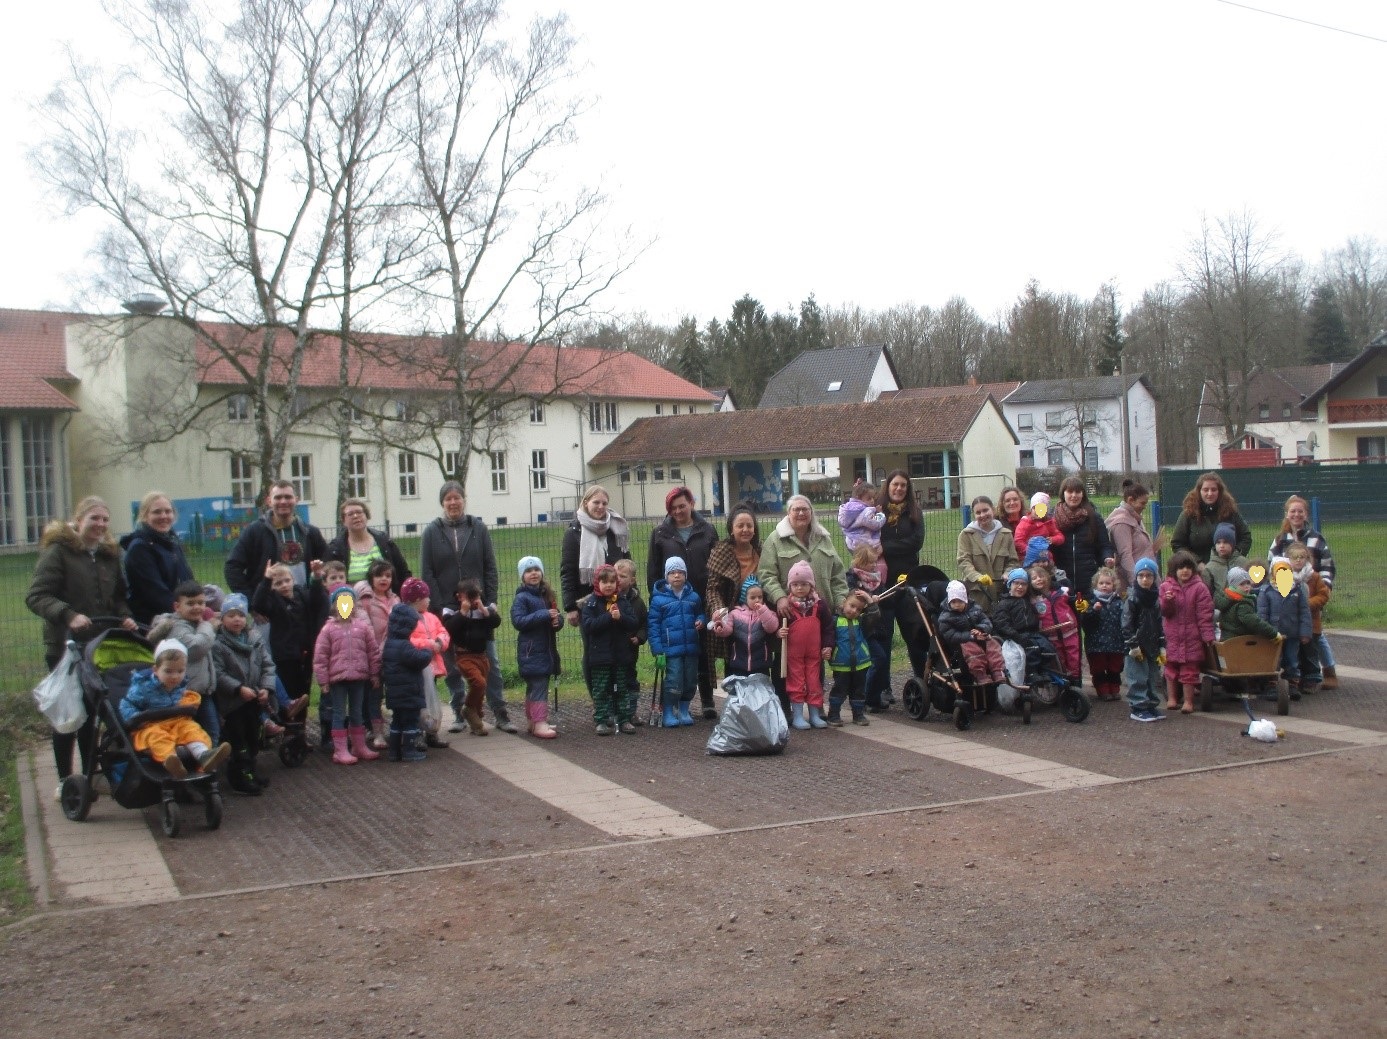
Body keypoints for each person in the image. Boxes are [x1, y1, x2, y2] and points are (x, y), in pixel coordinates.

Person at [26, 496, 138, 790]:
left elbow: (119, 597)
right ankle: (65, 780)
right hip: (65, 646)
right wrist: (69, 615)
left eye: (104, 519)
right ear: (78, 521)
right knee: (69, 714)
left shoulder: (110, 555)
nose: (100, 525)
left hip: (101, 644)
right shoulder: (59, 552)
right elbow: (37, 596)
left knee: (95, 713)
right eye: (94, 519)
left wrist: (125, 616)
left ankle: (88, 778)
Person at [419, 481, 516, 733]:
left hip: (478, 608)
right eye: (448, 499)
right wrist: (438, 608)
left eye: (457, 498)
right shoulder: (431, 532)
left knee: (490, 661)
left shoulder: (478, 528)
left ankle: (499, 710)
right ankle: (459, 710)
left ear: (464, 500)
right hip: (449, 610)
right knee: (452, 664)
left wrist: (489, 601)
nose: (453, 503)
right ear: (442, 503)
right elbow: (427, 571)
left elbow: (490, 567)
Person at [759, 494, 850, 713]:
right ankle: (785, 710)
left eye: (805, 509)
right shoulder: (775, 539)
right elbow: (765, 574)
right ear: (788, 513)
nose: (801, 513)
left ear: (811, 513)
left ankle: (815, 710)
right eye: (796, 509)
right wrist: (779, 597)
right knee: (784, 665)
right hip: (788, 616)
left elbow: (838, 575)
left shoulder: (823, 538)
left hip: (818, 615)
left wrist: (840, 602)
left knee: (815, 664)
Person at [646, 487, 719, 719]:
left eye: (682, 505)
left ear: (691, 503)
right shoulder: (660, 533)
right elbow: (653, 570)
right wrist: (658, 599)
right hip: (671, 602)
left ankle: (707, 700)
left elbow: (715, 563)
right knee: (676, 654)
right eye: (673, 508)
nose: (678, 511)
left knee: (703, 651)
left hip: (701, 599)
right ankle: (671, 703)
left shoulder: (707, 530)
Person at [120, 638, 231, 778]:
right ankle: (171, 761)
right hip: (151, 725)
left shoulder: (181, 685)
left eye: (180, 671)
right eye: (168, 671)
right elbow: (127, 704)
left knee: (191, 729)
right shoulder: (143, 687)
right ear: (155, 670)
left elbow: (184, 700)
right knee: (157, 736)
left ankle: (204, 755)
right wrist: (136, 718)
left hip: (176, 723)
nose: (175, 676)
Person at [1268, 495, 1339, 689]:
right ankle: (1297, 674)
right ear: (1287, 514)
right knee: (1293, 635)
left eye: (1300, 511)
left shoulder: (1316, 538)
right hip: (1288, 596)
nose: (1296, 514)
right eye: (1293, 511)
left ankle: (1329, 669)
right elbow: (1271, 565)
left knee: (1316, 634)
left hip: (1312, 593)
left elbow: (1327, 565)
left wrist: (1323, 586)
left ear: (1306, 514)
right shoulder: (1280, 540)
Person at [212, 593, 277, 795]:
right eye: (231, 615)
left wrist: (266, 688)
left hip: (255, 699)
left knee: (253, 736)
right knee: (238, 739)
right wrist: (238, 688)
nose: (237, 619)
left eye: (240, 615)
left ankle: (250, 770)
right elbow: (218, 673)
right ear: (222, 618)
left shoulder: (254, 639)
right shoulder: (218, 644)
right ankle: (239, 775)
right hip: (233, 702)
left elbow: (267, 665)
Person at [870, 472, 923, 708]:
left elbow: (916, 542)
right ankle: (883, 688)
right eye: (895, 484)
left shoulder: (914, 512)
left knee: (915, 635)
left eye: (903, 485)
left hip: (908, 581)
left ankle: (923, 681)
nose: (899, 488)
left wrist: (885, 547)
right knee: (884, 637)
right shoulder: (877, 510)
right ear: (888, 486)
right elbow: (869, 540)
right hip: (882, 583)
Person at [313, 585, 382, 764]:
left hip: (359, 677)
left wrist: (374, 674)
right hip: (338, 679)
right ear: (334, 605)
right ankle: (340, 749)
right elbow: (320, 656)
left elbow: (373, 652)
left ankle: (358, 746)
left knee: (357, 711)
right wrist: (323, 680)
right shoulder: (328, 629)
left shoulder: (363, 628)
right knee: (339, 713)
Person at [147, 580, 221, 745]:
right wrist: (208, 626)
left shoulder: (194, 624)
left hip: (202, 691)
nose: (197, 607)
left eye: (201, 603)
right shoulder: (176, 628)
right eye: (190, 603)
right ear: (177, 607)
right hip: (184, 693)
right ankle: (202, 765)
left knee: (212, 731)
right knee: (197, 733)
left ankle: (208, 766)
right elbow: (196, 648)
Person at [224, 480, 328, 597]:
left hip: (304, 605)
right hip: (268, 607)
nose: (283, 501)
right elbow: (232, 568)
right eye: (278, 497)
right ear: (269, 501)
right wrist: (251, 602)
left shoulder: (310, 533)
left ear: (297, 500)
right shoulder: (255, 531)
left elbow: (328, 564)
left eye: (288, 497)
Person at [704, 503, 763, 685]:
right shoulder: (721, 552)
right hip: (732, 619)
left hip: (758, 619)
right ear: (731, 529)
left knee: (759, 665)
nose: (745, 529)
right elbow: (712, 588)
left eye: (749, 525)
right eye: (740, 526)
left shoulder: (762, 551)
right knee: (735, 665)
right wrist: (718, 610)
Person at [560, 485, 631, 627]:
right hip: (590, 603)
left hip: (618, 600)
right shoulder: (573, 533)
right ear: (586, 503)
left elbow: (627, 563)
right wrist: (570, 607)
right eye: (596, 502)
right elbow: (568, 571)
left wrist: (632, 592)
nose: (600, 506)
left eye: (604, 503)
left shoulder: (616, 528)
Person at [648, 557, 706, 728]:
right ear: (666, 576)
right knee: (673, 680)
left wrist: (701, 620)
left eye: (680, 572)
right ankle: (667, 711)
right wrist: (657, 648)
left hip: (691, 647)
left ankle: (683, 709)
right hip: (670, 649)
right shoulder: (659, 600)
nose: (676, 576)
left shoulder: (693, 597)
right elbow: (653, 625)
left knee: (690, 680)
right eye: (672, 573)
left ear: (685, 575)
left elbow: (700, 614)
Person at [121, 491, 195, 625]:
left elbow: (187, 580)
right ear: (144, 516)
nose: (164, 516)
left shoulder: (172, 543)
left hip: (179, 615)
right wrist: (186, 613)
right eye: (157, 512)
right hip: (154, 623)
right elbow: (155, 593)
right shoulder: (140, 548)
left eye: (168, 511)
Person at [583, 563, 640, 734]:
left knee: (621, 688)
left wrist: (620, 617)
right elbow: (588, 626)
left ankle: (624, 719)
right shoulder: (591, 603)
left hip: (620, 655)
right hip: (600, 656)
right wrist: (608, 617)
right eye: (604, 582)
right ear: (597, 584)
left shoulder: (622, 601)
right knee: (601, 689)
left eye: (612, 582)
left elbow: (633, 622)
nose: (608, 585)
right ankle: (601, 720)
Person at [442, 578, 502, 736]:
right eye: (469, 597)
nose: (473, 600)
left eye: (476, 596)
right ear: (459, 596)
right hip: (464, 655)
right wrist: (462, 612)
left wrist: (484, 609)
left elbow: (496, 622)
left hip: (481, 655)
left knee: (481, 688)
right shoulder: (452, 610)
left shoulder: (482, 610)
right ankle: (468, 708)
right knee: (479, 683)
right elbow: (449, 628)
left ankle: (476, 721)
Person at [1159, 550, 1215, 714]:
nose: (1185, 571)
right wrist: (1168, 602)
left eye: (1188, 567)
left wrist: (1207, 635)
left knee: (1189, 671)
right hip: (1173, 637)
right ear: (1173, 570)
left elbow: (1205, 614)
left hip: (1192, 637)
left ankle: (1189, 702)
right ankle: (1172, 698)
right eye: (1181, 568)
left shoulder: (1200, 588)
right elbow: (1164, 612)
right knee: (1170, 669)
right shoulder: (1166, 587)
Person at [780, 560, 834, 730]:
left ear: (811, 585)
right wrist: (778, 632)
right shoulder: (786, 607)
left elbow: (828, 627)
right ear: (790, 586)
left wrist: (828, 645)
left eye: (804, 584)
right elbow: (777, 625)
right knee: (796, 682)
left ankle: (814, 715)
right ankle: (797, 716)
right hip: (793, 654)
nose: (800, 588)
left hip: (814, 653)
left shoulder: (820, 605)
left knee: (814, 681)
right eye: (795, 584)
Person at [511, 556, 561, 739]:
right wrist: (543, 614)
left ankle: (533, 721)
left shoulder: (546, 595)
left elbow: (555, 617)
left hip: (546, 650)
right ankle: (540, 722)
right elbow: (518, 621)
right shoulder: (522, 598)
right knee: (538, 686)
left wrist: (557, 621)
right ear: (522, 576)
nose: (533, 573)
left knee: (536, 686)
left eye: (536, 570)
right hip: (531, 651)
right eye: (528, 571)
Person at [400, 576, 452, 747]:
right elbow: (408, 639)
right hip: (417, 667)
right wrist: (429, 645)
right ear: (416, 600)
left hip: (433, 666)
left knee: (431, 698)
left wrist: (440, 642)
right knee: (419, 701)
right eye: (426, 597)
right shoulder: (407, 618)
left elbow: (443, 631)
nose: (429, 600)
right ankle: (418, 733)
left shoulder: (431, 617)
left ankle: (432, 733)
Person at [354, 559, 400, 750]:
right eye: (379, 575)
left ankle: (398, 728)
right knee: (373, 694)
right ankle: (377, 732)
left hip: (392, 656)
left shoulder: (396, 600)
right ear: (371, 578)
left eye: (388, 576)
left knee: (394, 693)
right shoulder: (365, 601)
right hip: (372, 655)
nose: (384, 579)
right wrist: (376, 649)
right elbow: (364, 627)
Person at [1052, 476, 1116, 607]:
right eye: (1070, 492)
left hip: (1088, 581)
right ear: (1063, 493)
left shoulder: (1093, 517)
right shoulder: (1052, 518)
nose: (1074, 496)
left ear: (1083, 494)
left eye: (1078, 492)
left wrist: (1107, 558)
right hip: (1062, 581)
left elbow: (1105, 545)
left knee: (1090, 619)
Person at [324, 498, 411, 592]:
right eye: (350, 514)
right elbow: (326, 579)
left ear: (366, 516)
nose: (355, 516)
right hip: (349, 603)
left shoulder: (384, 541)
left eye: (359, 512)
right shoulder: (336, 549)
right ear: (344, 521)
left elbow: (403, 572)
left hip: (386, 602)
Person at [381, 602, 432, 762]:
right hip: (408, 693)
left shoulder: (389, 643)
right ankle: (409, 750)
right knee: (411, 722)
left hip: (394, 694)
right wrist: (427, 651)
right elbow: (418, 659)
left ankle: (394, 751)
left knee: (396, 722)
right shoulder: (404, 646)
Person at [1258, 556, 1313, 701]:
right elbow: (1262, 613)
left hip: (1292, 633)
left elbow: (1304, 612)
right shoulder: (1267, 590)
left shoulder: (1297, 590)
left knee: (1292, 659)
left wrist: (1305, 632)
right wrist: (1264, 631)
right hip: (1273, 634)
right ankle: (1272, 684)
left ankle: (1292, 684)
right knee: (1273, 659)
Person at [935, 580, 1008, 688]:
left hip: (980, 637)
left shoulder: (975, 609)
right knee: (972, 649)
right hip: (961, 643)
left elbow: (986, 622)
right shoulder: (946, 617)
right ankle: (980, 674)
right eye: (953, 602)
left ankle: (998, 671)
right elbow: (950, 635)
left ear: (965, 600)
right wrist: (970, 636)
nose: (956, 605)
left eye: (959, 601)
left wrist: (981, 629)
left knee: (993, 645)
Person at [1171, 472, 1252, 565]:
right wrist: (1196, 562)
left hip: (1228, 568)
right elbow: (1177, 544)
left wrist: (1233, 558)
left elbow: (1245, 537)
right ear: (1199, 491)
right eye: (1205, 490)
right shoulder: (1188, 514)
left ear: (1219, 491)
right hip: (1198, 571)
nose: (1210, 493)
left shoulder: (1231, 512)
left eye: (1213, 490)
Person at [1122, 558, 1166, 722]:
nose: (1145, 580)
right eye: (1141, 576)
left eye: (1149, 576)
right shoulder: (1133, 599)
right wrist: (1133, 645)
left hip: (1152, 645)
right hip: (1136, 646)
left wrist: (1162, 645)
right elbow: (1126, 624)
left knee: (1152, 676)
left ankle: (1151, 705)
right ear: (1136, 578)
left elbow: (1160, 623)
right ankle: (1138, 707)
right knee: (1137, 677)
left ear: (1154, 578)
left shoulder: (1155, 600)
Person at [956, 495, 1019, 611]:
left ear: (993, 510)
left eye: (985, 510)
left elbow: (1013, 561)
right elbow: (963, 561)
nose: (982, 515)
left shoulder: (1006, 534)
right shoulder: (966, 535)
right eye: (978, 512)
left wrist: (1007, 573)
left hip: (1001, 592)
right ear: (974, 515)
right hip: (976, 593)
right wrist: (977, 577)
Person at [711, 576, 780, 678]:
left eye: (760, 597)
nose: (757, 600)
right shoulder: (735, 613)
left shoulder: (767, 612)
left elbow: (772, 627)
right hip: (739, 660)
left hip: (761, 662)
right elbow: (728, 630)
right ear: (744, 598)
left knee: (760, 690)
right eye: (752, 598)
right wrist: (720, 627)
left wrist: (763, 611)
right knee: (740, 690)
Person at [826, 588, 875, 727]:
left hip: (860, 662)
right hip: (841, 663)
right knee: (839, 689)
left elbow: (874, 616)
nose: (854, 611)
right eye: (852, 606)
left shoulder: (860, 621)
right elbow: (828, 637)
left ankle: (858, 714)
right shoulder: (835, 620)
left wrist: (870, 601)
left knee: (859, 690)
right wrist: (826, 649)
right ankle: (834, 714)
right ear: (844, 603)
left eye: (858, 609)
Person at [1286, 543, 1328, 693]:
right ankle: (1295, 679)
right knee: (1294, 652)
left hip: (1311, 622)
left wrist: (1307, 604)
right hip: (1292, 623)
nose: (1298, 560)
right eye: (1295, 557)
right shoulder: (1285, 576)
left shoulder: (1314, 576)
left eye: (1302, 557)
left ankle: (1311, 678)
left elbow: (1323, 595)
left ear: (1307, 559)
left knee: (1310, 652)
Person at [1029, 562, 1080, 683]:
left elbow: (1075, 601)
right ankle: (1062, 683)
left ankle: (1075, 682)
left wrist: (1081, 603)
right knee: (1058, 660)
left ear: (1047, 576)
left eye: (1041, 576)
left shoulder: (1061, 591)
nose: (1039, 580)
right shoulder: (1033, 600)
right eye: (1034, 578)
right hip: (1051, 635)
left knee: (1074, 658)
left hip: (1069, 631)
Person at [1080, 567, 1125, 701]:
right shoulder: (1091, 602)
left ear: (1114, 585)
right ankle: (1102, 689)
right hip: (1096, 643)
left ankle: (1115, 688)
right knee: (1098, 667)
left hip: (1115, 642)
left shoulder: (1118, 602)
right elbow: (1085, 622)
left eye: (1108, 583)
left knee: (1115, 667)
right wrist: (1093, 611)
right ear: (1096, 585)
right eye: (1101, 583)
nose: (1104, 586)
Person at [1106, 479, 1157, 594]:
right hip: (1134, 585)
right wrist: (1136, 584)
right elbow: (1126, 556)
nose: (1144, 507)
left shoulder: (1134, 517)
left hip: (1145, 579)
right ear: (1130, 500)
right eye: (1142, 503)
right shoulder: (1122, 523)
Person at [614, 559, 648, 726]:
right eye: (615, 575)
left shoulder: (638, 602)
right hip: (611, 652)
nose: (618, 579)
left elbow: (644, 624)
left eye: (623, 576)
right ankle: (613, 713)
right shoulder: (608, 600)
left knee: (631, 681)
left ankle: (631, 712)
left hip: (629, 650)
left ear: (632, 580)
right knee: (613, 683)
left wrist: (640, 637)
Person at [1215, 567, 1281, 641]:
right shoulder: (1242, 603)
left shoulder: (1227, 598)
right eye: (1242, 584)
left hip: (1227, 639)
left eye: (1248, 583)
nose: (1246, 586)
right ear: (1233, 586)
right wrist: (1273, 633)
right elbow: (1253, 622)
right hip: (1240, 641)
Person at [837, 481, 885, 555]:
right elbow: (875, 524)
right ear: (858, 498)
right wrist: (881, 514)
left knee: (859, 564)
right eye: (869, 498)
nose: (872, 501)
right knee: (877, 564)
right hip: (865, 545)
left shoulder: (848, 509)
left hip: (851, 542)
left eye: (873, 498)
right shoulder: (865, 511)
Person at [1203, 524, 1250, 598]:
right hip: (1220, 605)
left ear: (1233, 544)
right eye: (1218, 542)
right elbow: (1207, 593)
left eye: (1225, 542)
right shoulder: (1209, 568)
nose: (1221, 545)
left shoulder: (1244, 562)